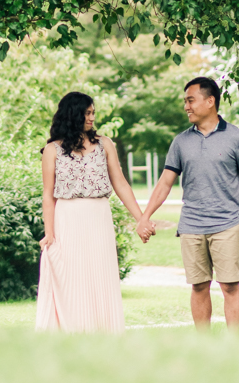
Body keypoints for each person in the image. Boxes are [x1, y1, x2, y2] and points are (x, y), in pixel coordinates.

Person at [138, 76, 239, 329]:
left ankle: (234, 347)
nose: (186, 107)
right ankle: (203, 346)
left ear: (210, 101)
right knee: (199, 285)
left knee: (229, 285)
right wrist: (144, 216)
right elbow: (164, 183)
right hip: (192, 225)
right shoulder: (181, 142)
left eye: (191, 100)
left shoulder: (236, 137)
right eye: (185, 101)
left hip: (227, 223)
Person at [35, 91, 153, 333]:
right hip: (67, 218)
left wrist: (141, 218)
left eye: (93, 113)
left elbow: (120, 183)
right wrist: (50, 234)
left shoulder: (105, 144)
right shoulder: (52, 150)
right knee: (73, 278)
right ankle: (75, 332)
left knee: (100, 276)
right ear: (73, 114)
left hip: (98, 217)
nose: (92, 118)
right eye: (87, 113)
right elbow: (48, 195)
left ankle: (105, 332)